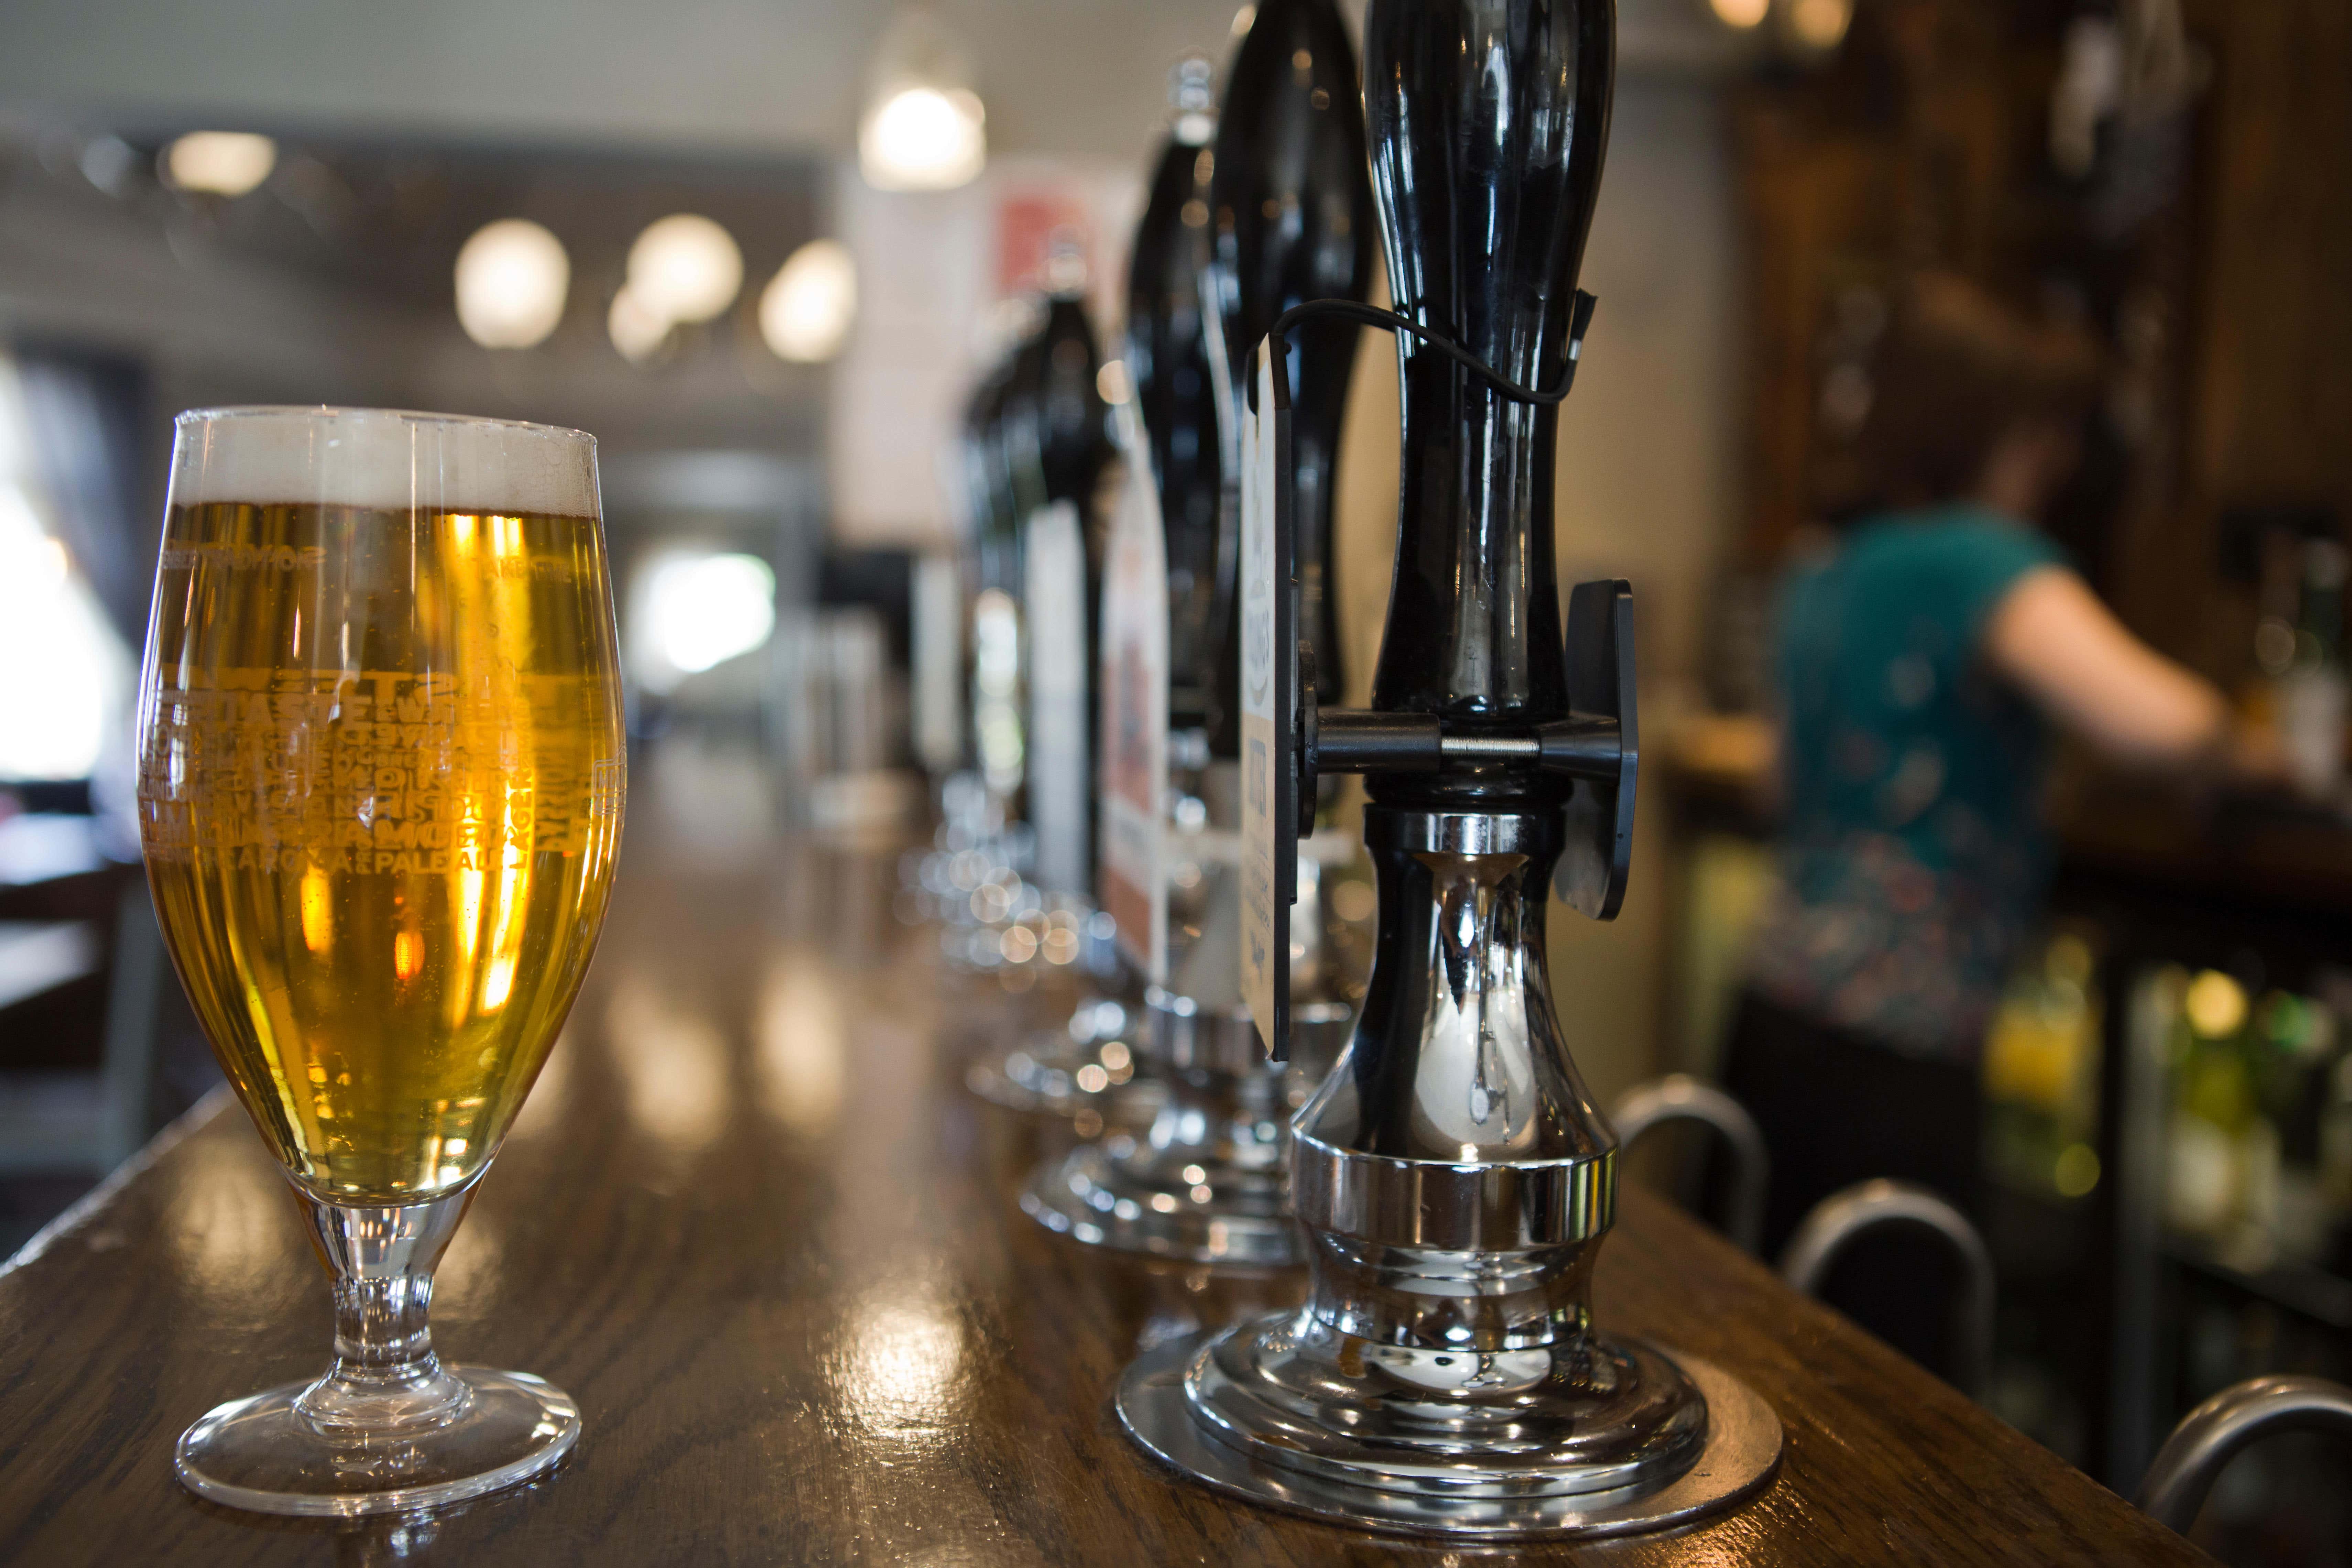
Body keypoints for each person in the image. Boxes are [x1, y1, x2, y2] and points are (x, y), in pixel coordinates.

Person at [1723, 274, 2274, 1357]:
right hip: (1902, 1052)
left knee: (1763, 1375)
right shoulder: (1981, 560)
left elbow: (1774, 787)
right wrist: (2270, 753)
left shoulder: (1824, 567)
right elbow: (2157, 724)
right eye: (2043, 433)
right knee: (1894, 1413)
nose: (2057, 462)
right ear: (1993, 431)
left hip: (1774, 1021)